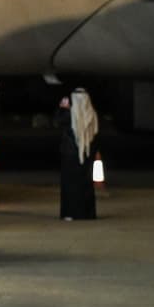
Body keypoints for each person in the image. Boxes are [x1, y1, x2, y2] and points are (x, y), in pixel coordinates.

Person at [58, 88, 102, 220]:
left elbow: (58, 121)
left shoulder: (69, 114)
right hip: (87, 154)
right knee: (86, 186)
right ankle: (87, 214)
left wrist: (62, 109)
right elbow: (95, 135)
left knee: (70, 186)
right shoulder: (92, 114)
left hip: (70, 156)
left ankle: (71, 213)